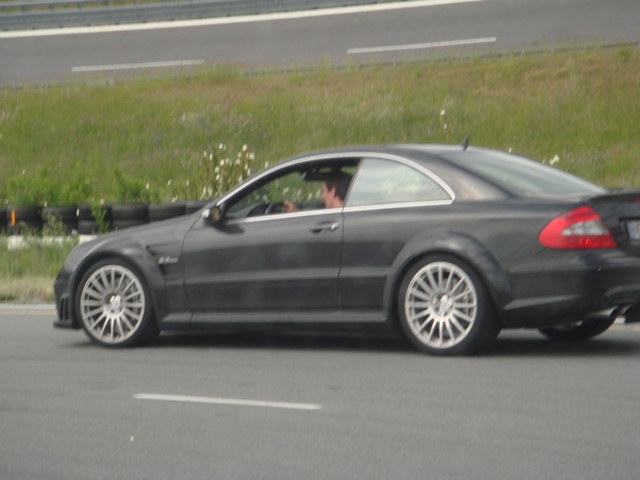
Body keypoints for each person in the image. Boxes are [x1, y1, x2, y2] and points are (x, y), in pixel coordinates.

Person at [282, 171, 352, 212]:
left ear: (332, 192)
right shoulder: (350, 211)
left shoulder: (335, 216)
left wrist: (296, 213)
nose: (322, 196)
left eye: (324, 192)